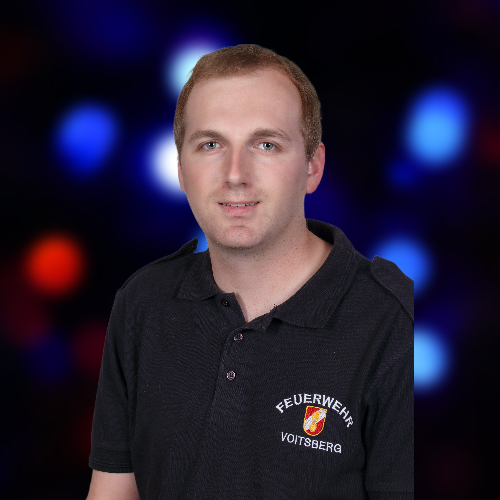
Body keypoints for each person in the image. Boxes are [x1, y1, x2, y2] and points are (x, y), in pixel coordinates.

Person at [87, 44, 414, 500]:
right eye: (211, 145)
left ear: (312, 167)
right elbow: (113, 491)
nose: (235, 174)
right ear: (180, 169)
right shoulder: (142, 302)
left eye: (266, 144)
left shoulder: (394, 322)